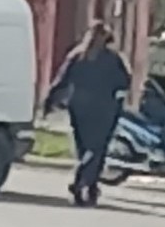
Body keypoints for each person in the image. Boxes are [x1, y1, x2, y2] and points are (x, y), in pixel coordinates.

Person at [43, 21, 130, 207]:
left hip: (79, 107)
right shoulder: (112, 59)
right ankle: (80, 182)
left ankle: (90, 188)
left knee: (84, 149)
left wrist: (49, 102)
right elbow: (124, 81)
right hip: (104, 109)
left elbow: (62, 79)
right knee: (97, 149)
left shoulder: (77, 56)